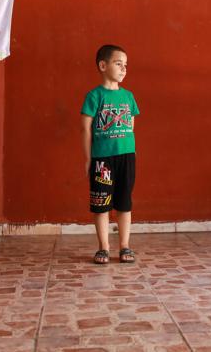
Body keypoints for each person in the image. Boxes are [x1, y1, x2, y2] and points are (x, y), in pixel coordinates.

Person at [80, 44, 140, 264]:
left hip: (126, 157)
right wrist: (89, 158)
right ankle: (103, 247)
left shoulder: (128, 96)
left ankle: (124, 246)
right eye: (118, 64)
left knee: (124, 203)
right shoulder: (94, 96)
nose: (123, 69)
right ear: (103, 65)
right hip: (102, 160)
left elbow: (130, 127)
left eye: (126, 65)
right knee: (101, 203)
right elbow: (85, 129)